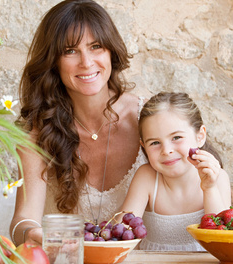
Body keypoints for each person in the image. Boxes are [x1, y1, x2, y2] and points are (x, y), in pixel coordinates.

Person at [10, 0, 147, 246]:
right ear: (53, 61)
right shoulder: (37, 132)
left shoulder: (148, 119)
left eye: (96, 46)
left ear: (110, 52)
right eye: (70, 51)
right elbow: (23, 218)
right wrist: (31, 234)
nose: (86, 62)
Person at [120, 92, 232, 251]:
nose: (166, 150)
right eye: (155, 142)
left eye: (176, 137)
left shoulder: (218, 178)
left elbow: (223, 243)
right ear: (143, 146)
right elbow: (121, 233)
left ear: (200, 136)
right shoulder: (147, 178)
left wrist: (209, 188)